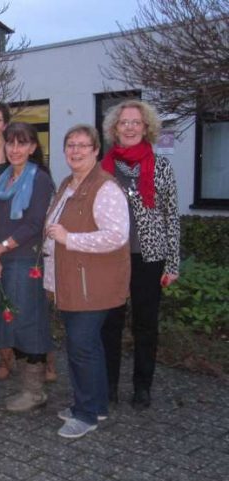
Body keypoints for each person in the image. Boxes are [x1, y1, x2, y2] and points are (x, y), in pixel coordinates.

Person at [44, 124, 130, 438]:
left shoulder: (105, 187)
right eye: (70, 145)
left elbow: (117, 236)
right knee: (87, 346)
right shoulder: (69, 182)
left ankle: (86, 414)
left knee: (82, 348)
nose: (76, 151)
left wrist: (70, 238)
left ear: (96, 150)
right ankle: (98, 405)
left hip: (91, 284)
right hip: (72, 281)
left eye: (83, 145)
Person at [100, 100, 180, 410]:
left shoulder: (161, 166)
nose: (130, 127)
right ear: (114, 129)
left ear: (146, 127)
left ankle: (142, 386)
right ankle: (109, 387)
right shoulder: (103, 167)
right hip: (112, 256)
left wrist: (172, 263)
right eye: (124, 122)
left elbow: (171, 216)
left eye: (136, 122)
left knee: (145, 324)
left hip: (149, 257)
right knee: (110, 322)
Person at [0, 122, 55, 413]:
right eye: (10, 143)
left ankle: (34, 392)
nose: (15, 149)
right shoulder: (3, 179)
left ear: (33, 147)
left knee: (29, 323)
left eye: (22, 143)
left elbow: (34, 224)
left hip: (26, 260)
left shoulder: (40, 180)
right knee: (9, 321)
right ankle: (26, 387)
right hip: (0, 260)